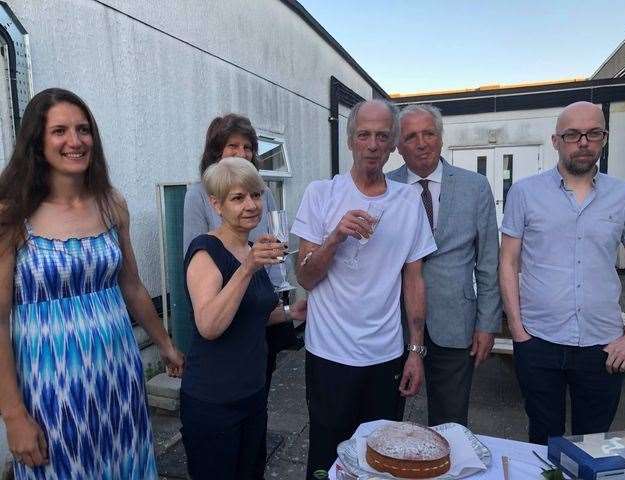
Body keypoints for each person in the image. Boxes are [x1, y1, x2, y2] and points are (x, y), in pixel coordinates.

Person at [0, 88, 184, 479]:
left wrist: (166, 345)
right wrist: (13, 414)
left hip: (118, 376)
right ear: (37, 140)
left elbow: (132, 286)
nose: (75, 141)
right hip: (51, 390)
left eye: (83, 130)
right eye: (60, 131)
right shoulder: (10, 214)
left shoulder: (110, 203)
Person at [292, 100, 437, 479]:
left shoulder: (408, 201)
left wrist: (416, 351)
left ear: (393, 146)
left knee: (381, 462)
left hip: (385, 355)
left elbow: (413, 279)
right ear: (351, 141)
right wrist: (335, 237)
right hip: (329, 353)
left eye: (382, 136)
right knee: (326, 459)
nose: (372, 144)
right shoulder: (321, 194)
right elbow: (305, 277)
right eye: (364, 135)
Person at [500, 101, 625, 445]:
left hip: (603, 345)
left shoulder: (624, 195)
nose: (583, 141)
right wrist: (517, 330)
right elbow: (508, 262)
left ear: (603, 139)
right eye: (572, 134)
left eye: (593, 133)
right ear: (556, 141)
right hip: (539, 340)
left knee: (594, 444)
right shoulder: (524, 192)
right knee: (543, 441)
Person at [180, 157, 306, 479]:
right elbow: (209, 325)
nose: (251, 204)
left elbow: (251, 315)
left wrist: (295, 311)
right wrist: (247, 268)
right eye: (238, 198)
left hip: (252, 392)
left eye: (256, 195)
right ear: (216, 204)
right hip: (213, 400)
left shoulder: (251, 247)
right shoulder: (205, 251)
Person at [387, 105, 502, 427]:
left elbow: (488, 262)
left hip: (455, 323)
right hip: (393, 323)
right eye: (411, 136)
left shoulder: (475, 187)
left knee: (450, 425)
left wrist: (487, 323)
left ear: (440, 138)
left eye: (429, 134)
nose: (421, 143)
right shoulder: (385, 188)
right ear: (398, 145)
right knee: (386, 420)